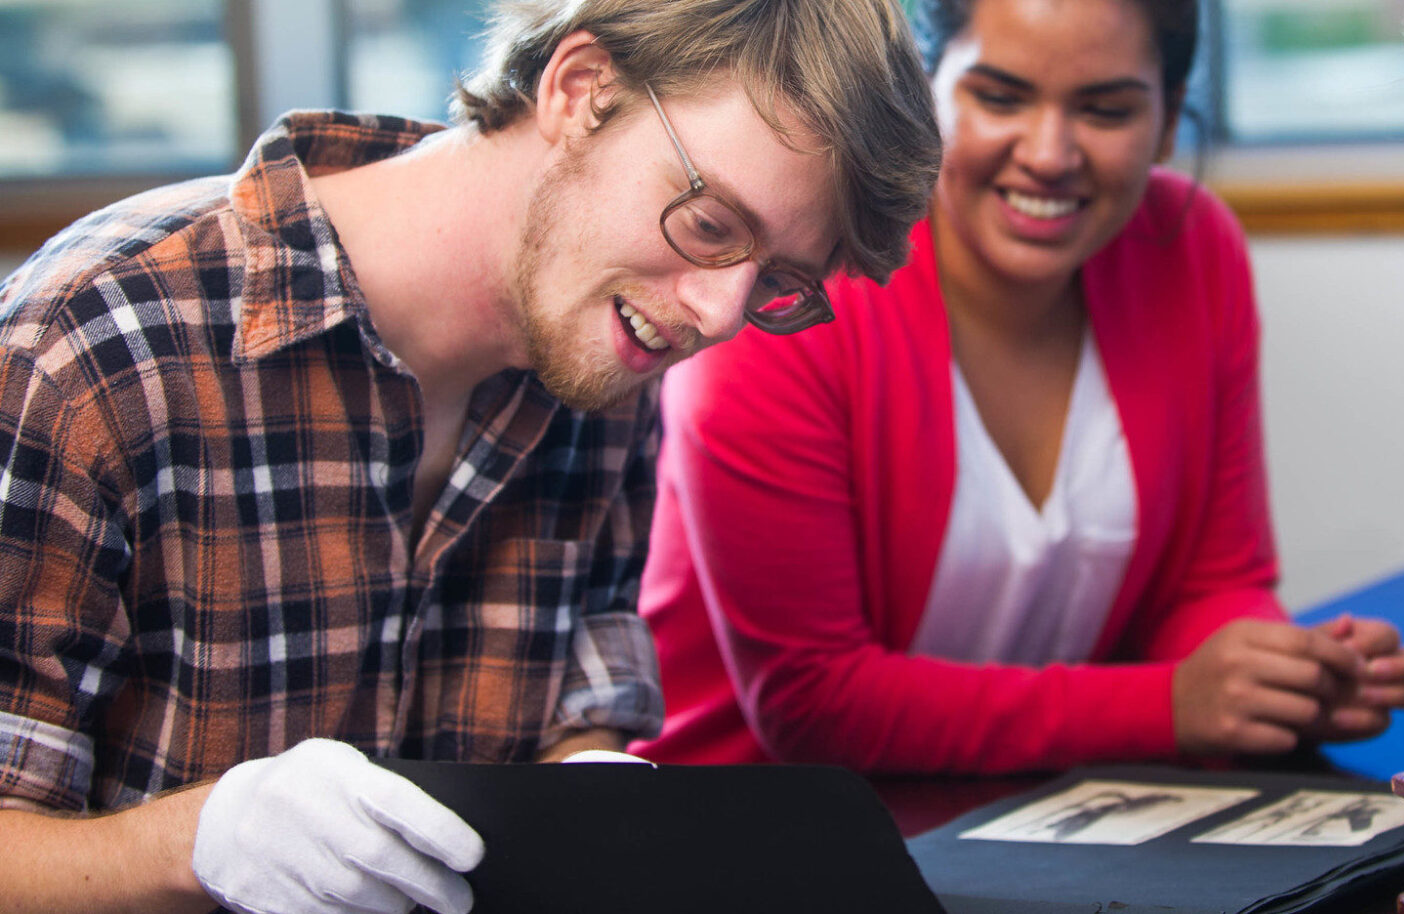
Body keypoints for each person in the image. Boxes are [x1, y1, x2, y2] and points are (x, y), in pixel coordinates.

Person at [0, 0, 938, 910]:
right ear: (578, 90)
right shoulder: (96, 347)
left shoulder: (608, 346)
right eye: (707, 225)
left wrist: (596, 794)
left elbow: (572, 714)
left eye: (777, 283)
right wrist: (192, 847)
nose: (717, 316)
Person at [630, 0, 1404, 775]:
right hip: (767, 831)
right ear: (925, 91)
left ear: (1169, 116)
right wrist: (1170, 706)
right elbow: (811, 702)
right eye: (1000, 97)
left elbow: (1212, 585)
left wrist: (1278, 676)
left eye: (1107, 110)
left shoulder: (1191, 248)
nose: (1049, 153)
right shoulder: (793, 295)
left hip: (1054, 814)